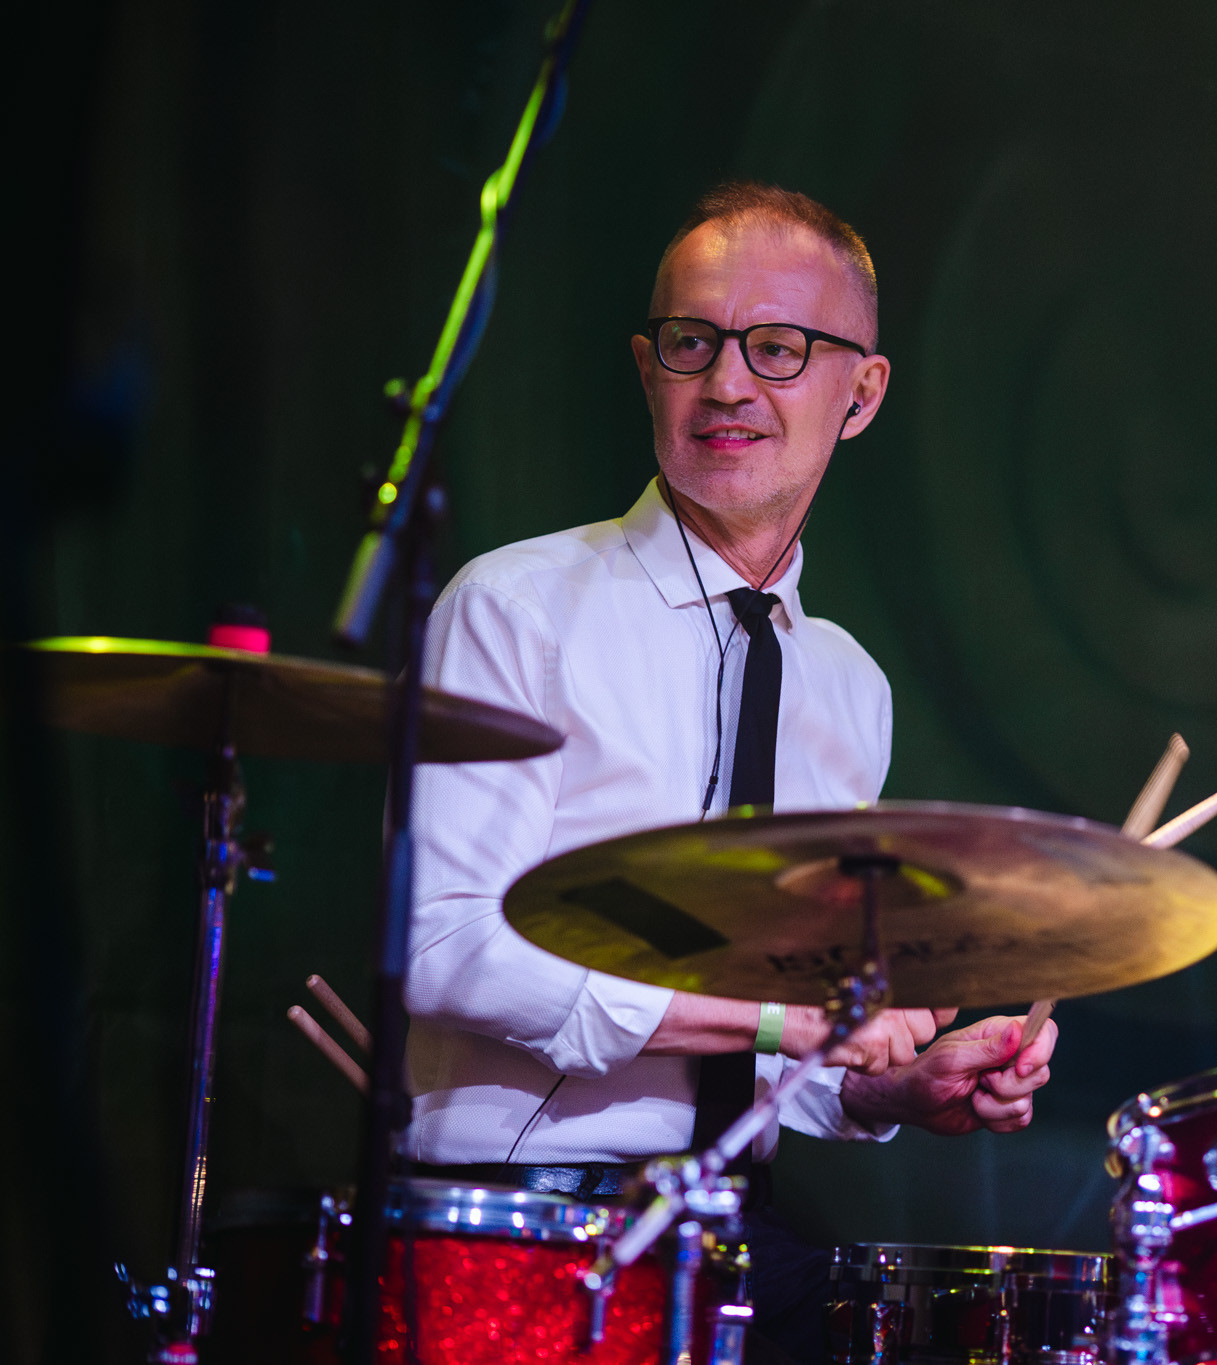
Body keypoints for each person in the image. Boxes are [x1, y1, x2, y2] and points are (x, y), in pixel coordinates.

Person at [400, 181, 1058, 1360]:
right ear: (646, 367)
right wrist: (780, 1019)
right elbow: (441, 944)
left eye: (779, 348)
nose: (727, 384)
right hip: (523, 1231)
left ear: (862, 393)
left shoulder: (847, 684)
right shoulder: (515, 607)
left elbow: (786, 1051)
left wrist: (888, 1088)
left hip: (734, 1233)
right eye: (691, 341)